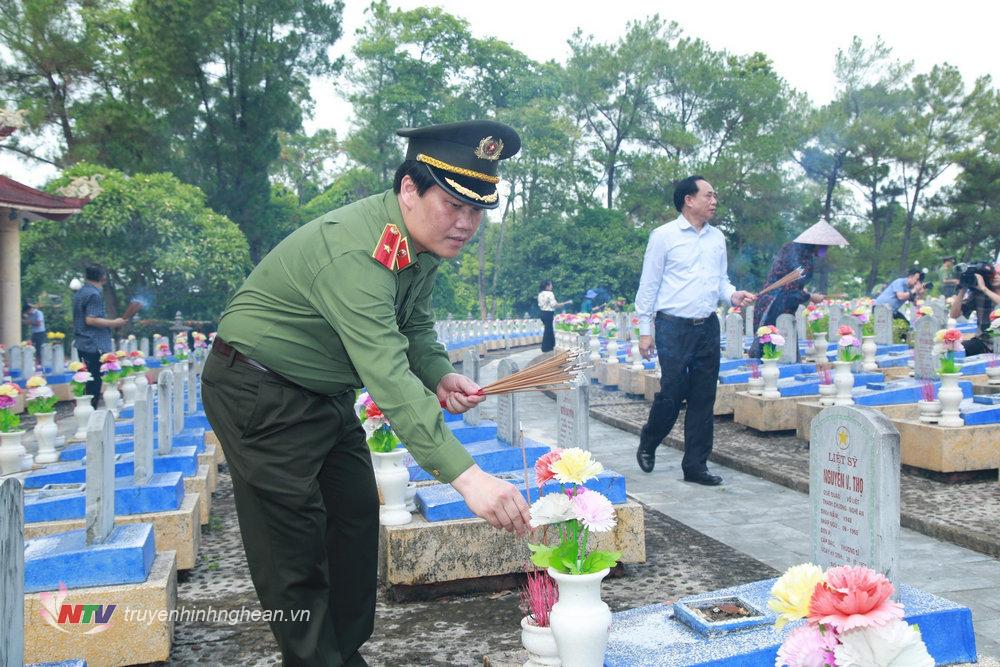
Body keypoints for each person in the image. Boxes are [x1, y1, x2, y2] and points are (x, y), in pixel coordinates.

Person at [201, 120, 531, 666]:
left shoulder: (417, 245)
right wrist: (467, 478)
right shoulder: (356, 254)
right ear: (409, 189)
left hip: (321, 393)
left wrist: (441, 374)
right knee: (295, 543)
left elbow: (415, 326)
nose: (466, 223)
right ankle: (314, 658)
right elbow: (386, 374)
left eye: (477, 210)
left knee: (353, 519)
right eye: (453, 205)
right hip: (258, 389)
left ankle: (342, 652)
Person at [634, 175, 755, 485]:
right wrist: (645, 330)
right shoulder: (663, 236)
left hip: (707, 326)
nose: (714, 201)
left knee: (704, 396)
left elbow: (721, 281)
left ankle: (696, 466)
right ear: (689, 200)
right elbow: (648, 285)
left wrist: (732, 295)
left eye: (715, 196)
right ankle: (650, 439)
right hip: (672, 326)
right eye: (708, 196)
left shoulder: (718, 238)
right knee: (672, 392)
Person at [749, 220, 849, 357]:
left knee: (775, 355)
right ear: (817, 243)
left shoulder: (795, 249)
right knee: (770, 355)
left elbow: (792, 285)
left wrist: (805, 293)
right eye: (825, 245)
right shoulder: (800, 256)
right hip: (774, 307)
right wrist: (810, 297)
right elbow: (789, 292)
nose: (827, 248)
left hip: (774, 304)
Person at [71, 265, 127, 408]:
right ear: (103, 277)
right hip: (94, 343)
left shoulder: (81, 292)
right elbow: (91, 319)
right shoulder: (94, 294)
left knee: (88, 379)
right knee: (94, 380)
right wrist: (114, 323)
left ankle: (86, 410)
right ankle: (91, 411)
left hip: (83, 341)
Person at [949, 269, 1000, 356]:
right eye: (993, 274)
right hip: (984, 342)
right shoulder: (978, 294)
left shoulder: (984, 290)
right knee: (953, 350)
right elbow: (954, 315)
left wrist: (984, 289)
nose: (995, 276)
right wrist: (963, 289)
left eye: (999, 274)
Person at [537, 279, 571, 353]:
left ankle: (549, 346)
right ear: (547, 286)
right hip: (548, 313)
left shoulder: (540, 294)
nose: (552, 286)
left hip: (542, 313)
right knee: (548, 330)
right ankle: (546, 347)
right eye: (550, 285)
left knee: (548, 329)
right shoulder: (550, 294)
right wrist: (562, 304)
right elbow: (554, 305)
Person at [22, 302, 46, 366]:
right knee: (29, 347)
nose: (27, 313)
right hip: (34, 332)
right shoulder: (30, 315)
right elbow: (27, 322)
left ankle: (40, 363)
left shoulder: (38, 313)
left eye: (27, 312)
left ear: (29, 310)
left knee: (39, 348)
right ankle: (33, 361)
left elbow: (38, 324)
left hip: (40, 332)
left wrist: (28, 322)